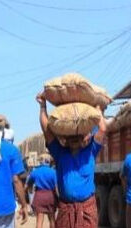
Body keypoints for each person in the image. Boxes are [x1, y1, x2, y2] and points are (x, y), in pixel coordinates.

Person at [36, 93, 106, 228]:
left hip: (87, 210)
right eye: (71, 137)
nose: (74, 139)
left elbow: (102, 129)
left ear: (83, 137)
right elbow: (47, 131)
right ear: (65, 138)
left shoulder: (90, 151)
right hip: (65, 209)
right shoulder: (60, 153)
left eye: (78, 136)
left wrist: (97, 109)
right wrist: (43, 107)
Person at [26, 154, 57, 228]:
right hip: (51, 196)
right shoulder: (53, 172)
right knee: (52, 219)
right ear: (49, 161)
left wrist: (30, 191)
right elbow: (57, 187)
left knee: (39, 221)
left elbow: (29, 184)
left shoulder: (35, 172)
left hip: (39, 196)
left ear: (40, 161)